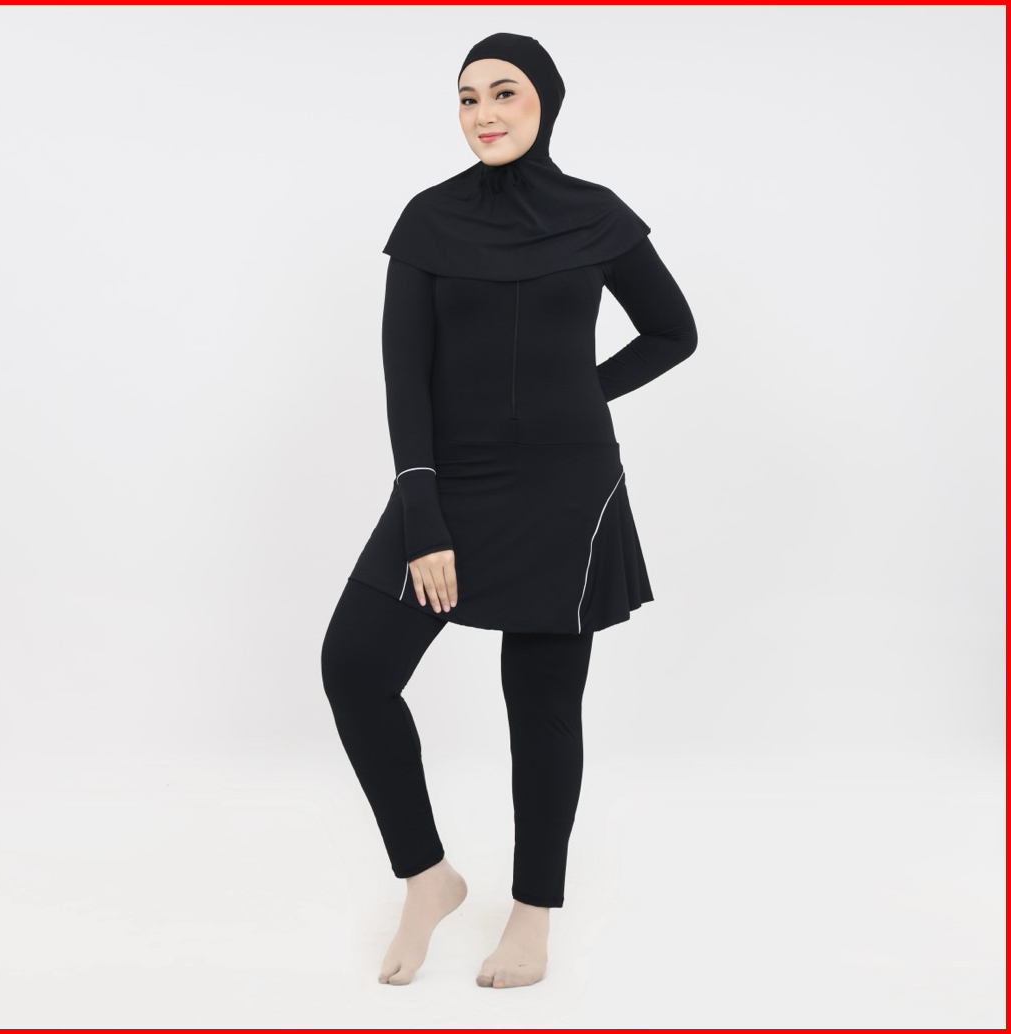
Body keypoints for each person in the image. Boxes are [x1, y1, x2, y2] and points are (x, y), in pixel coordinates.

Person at [320, 31, 698, 989]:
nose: (483, 113)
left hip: (568, 488)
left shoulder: (596, 215)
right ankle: (428, 878)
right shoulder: (430, 220)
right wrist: (422, 513)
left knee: (542, 706)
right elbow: (405, 379)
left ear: (546, 103)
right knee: (355, 666)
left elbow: (673, 331)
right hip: (449, 478)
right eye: (467, 97)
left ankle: (533, 912)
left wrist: (580, 396)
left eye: (504, 93)